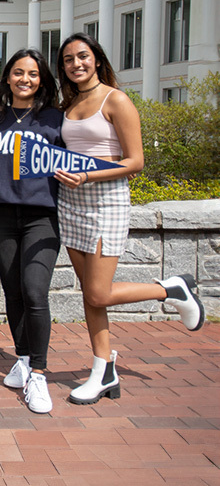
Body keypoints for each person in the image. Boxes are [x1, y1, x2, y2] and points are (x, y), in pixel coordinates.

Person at [55, 33, 204, 404]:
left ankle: (171, 290)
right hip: (71, 203)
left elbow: (135, 162)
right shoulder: (70, 103)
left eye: (83, 56)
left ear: (97, 59)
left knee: (98, 292)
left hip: (106, 201)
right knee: (92, 298)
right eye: (69, 59)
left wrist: (88, 174)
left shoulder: (115, 99)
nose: (77, 64)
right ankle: (103, 370)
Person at [0, 49, 63, 413]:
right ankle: (21, 358)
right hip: (2, 215)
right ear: (7, 78)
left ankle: (38, 372)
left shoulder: (55, 120)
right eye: (18, 73)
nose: (25, 80)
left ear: (41, 80)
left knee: (35, 291)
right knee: (13, 293)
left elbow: (80, 159)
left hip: (41, 217)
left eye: (33, 74)